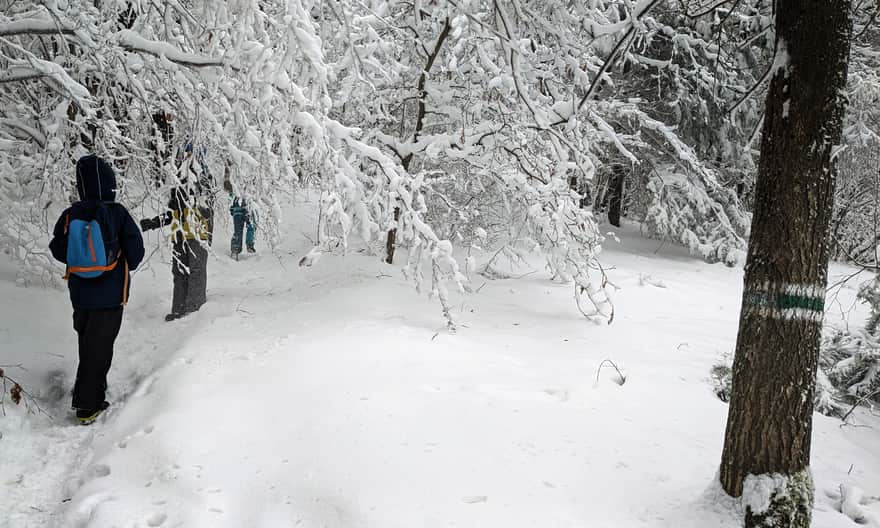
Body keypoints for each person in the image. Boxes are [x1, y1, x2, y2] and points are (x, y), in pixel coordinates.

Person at [49, 155, 145, 425]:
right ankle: (88, 406)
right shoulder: (117, 213)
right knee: (100, 348)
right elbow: (136, 254)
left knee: (87, 344)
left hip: (80, 294)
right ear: (110, 183)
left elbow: (57, 248)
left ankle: (84, 393)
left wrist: (81, 256)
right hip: (111, 294)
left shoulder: (71, 213)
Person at [140, 144, 214, 321]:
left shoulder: (205, 180)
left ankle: (194, 310)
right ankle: (178, 309)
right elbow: (172, 211)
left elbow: (208, 211)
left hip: (197, 236)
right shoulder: (178, 179)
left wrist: (208, 236)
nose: (188, 156)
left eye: (192, 153)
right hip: (179, 236)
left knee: (196, 272)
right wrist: (154, 223)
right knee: (179, 272)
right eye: (186, 153)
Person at [225, 178, 256, 259]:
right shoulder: (235, 176)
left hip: (248, 207)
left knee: (251, 225)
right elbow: (231, 195)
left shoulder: (251, 176)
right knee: (239, 230)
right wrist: (231, 207)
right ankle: (236, 250)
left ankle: (249, 245)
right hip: (238, 208)